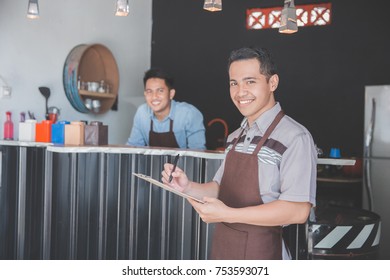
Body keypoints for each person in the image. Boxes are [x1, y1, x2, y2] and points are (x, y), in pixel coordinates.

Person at [161, 47, 317, 260]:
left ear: (272, 83)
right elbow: (219, 189)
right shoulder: (235, 137)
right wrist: (187, 187)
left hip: (263, 253)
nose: (240, 91)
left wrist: (228, 214)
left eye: (250, 81)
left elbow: (298, 211)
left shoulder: (295, 137)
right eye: (234, 83)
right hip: (225, 249)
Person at [127, 68, 206, 149]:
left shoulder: (189, 114)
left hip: (183, 162)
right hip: (153, 162)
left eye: (160, 91)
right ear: (145, 94)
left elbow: (198, 155)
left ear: (171, 94)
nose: (154, 97)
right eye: (149, 91)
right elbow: (133, 147)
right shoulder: (142, 113)